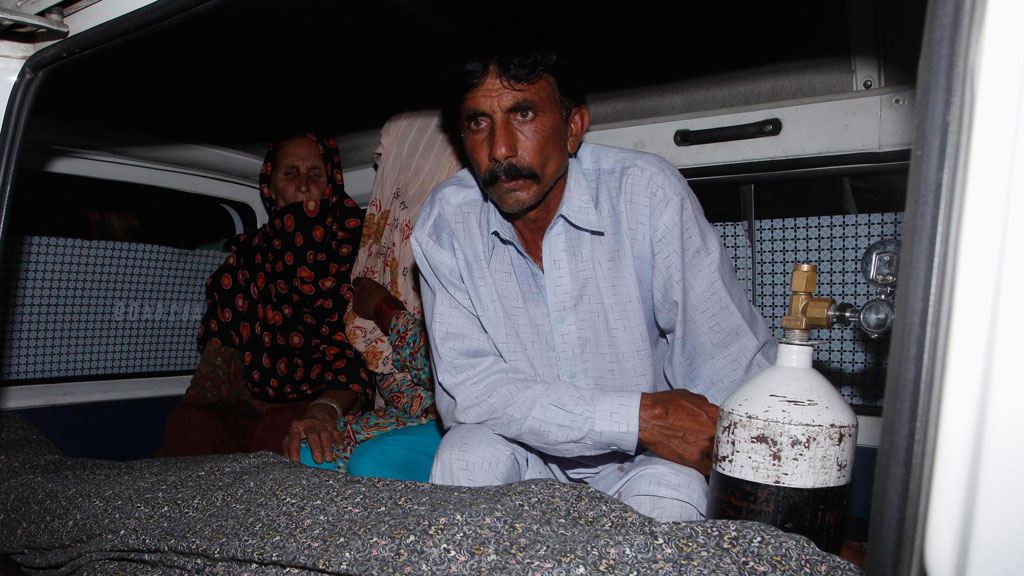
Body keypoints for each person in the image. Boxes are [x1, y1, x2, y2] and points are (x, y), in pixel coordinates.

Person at [411, 45, 777, 522]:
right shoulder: (448, 220)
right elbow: (470, 394)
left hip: (645, 462)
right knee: (465, 454)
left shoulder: (646, 194)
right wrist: (638, 419)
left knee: (669, 492)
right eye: (478, 122)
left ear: (573, 128)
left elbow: (725, 363)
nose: (499, 149)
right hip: (527, 452)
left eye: (523, 113)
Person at [161, 132, 372, 458]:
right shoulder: (247, 257)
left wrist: (326, 407)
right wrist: (197, 407)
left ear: (332, 185)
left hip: (331, 400)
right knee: (189, 426)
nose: (303, 185)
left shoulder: (357, 250)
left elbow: (362, 355)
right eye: (290, 173)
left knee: (283, 429)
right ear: (270, 188)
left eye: (315, 174)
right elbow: (221, 349)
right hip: (255, 402)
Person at [298, 111, 462, 481]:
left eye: (412, 169)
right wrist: (327, 410)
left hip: (457, 421)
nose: (397, 190)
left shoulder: (467, 242)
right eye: (393, 170)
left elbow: (450, 373)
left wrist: (387, 310)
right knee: (308, 457)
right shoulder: (380, 252)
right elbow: (358, 359)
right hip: (403, 413)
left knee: (370, 463)